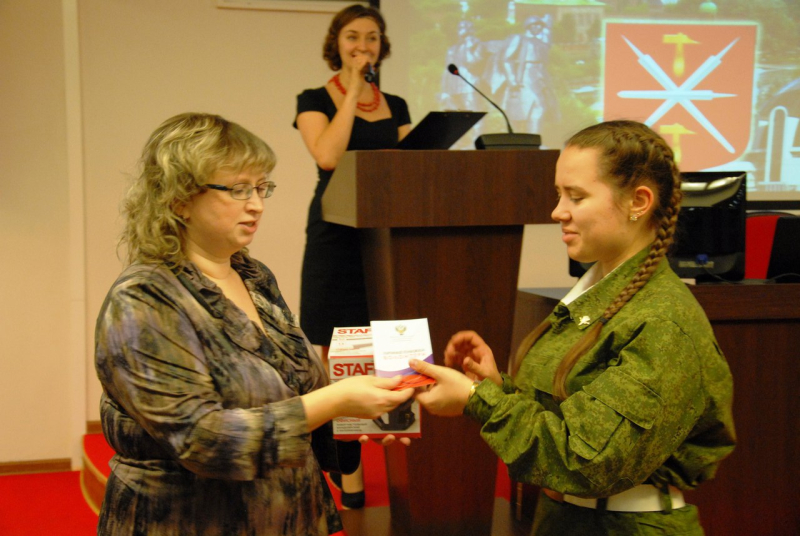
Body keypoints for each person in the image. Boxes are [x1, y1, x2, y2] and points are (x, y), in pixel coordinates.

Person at [94, 112, 413, 535]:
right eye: (238, 189)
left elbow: (294, 392)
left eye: (262, 188)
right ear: (178, 199)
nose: (257, 204)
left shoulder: (253, 275)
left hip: (288, 516)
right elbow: (202, 440)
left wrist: (360, 418)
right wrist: (336, 401)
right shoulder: (144, 299)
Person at [411, 120, 735, 535]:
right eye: (559, 194)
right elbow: (570, 416)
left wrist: (479, 400)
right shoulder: (600, 293)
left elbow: (585, 461)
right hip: (566, 519)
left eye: (576, 196)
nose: (557, 211)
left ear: (638, 201)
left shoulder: (663, 321)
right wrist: (497, 386)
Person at [294, 3, 411, 507]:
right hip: (336, 237)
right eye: (353, 37)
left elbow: (412, 168)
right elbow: (327, 155)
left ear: (382, 46)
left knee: (392, 354)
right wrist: (353, 91)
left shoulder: (398, 105)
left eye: (372, 38)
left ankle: (402, 462)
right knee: (345, 357)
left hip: (386, 236)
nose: (363, 46)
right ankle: (349, 472)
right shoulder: (314, 99)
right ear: (336, 44)